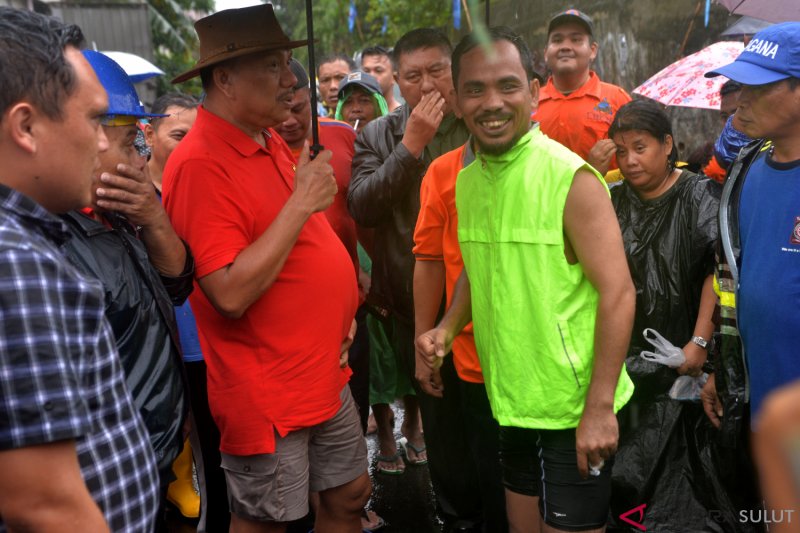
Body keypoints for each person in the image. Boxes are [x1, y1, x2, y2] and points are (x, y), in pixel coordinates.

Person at [417, 27, 635, 533]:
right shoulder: (467, 182)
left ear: (534, 91)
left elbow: (619, 293)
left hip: (571, 411)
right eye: (475, 89)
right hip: (508, 400)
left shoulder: (572, 178)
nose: (492, 103)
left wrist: (599, 408)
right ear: (455, 97)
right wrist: (446, 329)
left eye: (508, 86)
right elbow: (479, 269)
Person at [164, 6, 370, 532]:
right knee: (267, 521)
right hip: (270, 393)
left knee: (350, 494)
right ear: (225, 78)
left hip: (323, 369)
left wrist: (341, 307)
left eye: (287, 65)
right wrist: (302, 202)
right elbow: (227, 293)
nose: (289, 82)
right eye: (275, 67)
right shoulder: (199, 163)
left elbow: (301, 251)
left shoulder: (269, 137)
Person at [0, 8, 159, 531]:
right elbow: (42, 503)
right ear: (25, 126)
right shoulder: (17, 263)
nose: (102, 143)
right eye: (95, 120)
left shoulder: (32, 237)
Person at [348, 27, 484, 529]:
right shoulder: (378, 134)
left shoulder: (478, 125)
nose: (426, 84)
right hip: (416, 305)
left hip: (485, 301)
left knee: (489, 422)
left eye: (436, 71)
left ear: (455, 71)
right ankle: (454, 514)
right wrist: (409, 147)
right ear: (397, 84)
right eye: (412, 76)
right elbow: (362, 204)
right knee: (441, 422)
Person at [60, 50, 191, 530]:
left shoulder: (119, 210)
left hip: (152, 455)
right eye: (129, 139)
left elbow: (177, 284)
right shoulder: (48, 238)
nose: (142, 155)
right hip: (103, 483)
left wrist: (154, 219)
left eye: (143, 139)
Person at [605, 99, 744, 531]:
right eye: (621, 150)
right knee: (630, 477)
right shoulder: (611, 201)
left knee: (692, 486)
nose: (629, 161)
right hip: (631, 364)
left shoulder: (701, 195)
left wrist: (699, 344)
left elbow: (715, 272)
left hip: (690, 363)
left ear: (668, 144)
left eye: (640, 148)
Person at [702, 21, 800, 448]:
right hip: (763, 411)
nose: (740, 102)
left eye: (758, 88)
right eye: (740, 86)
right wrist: (723, 370)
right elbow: (739, 283)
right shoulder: (748, 172)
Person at [144, 92, 231, 533]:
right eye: (178, 134)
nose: (190, 143)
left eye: (197, 133)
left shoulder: (209, 181)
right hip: (167, 340)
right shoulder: (134, 194)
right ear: (148, 134)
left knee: (219, 447)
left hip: (210, 336)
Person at [534, 9, 631, 176]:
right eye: (557, 40)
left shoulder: (617, 100)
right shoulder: (529, 103)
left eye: (576, 39)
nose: (565, 46)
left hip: (607, 200)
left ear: (592, 50)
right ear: (545, 53)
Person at [361, 45, 401, 112]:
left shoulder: (402, 118)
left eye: (378, 70)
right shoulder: (356, 116)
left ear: (394, 77)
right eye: (366, 71)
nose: (371, 76)